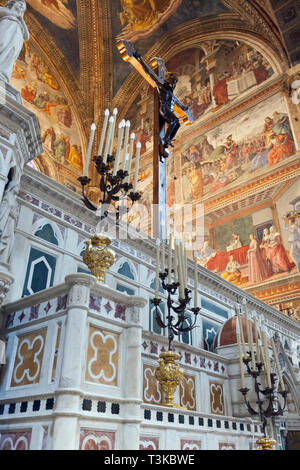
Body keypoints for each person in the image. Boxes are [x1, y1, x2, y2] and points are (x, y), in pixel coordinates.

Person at [0, 0, 29, 83]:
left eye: (23, 7)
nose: (21, 7)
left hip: (16, 37)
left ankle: (2, 73)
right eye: (20, 4)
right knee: (2, 45)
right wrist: (14, 14)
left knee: (10, 53)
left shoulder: (19, 20)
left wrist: (21, 19)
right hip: (6, 28)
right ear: (13, 3)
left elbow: (27, 36)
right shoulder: (6, 10)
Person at [0, 180, 19, 264]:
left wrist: (14, 215)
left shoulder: (15, 201)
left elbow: (15, 213)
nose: (18, 189)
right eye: (17, 186)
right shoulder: (7, 195)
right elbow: (4, 208)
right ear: (13, 186)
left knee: (11, 241)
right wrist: (11, 213)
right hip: (6, 222)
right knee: (5, 238)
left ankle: (4, 260)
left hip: (11, 223)